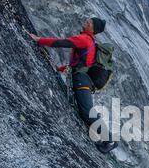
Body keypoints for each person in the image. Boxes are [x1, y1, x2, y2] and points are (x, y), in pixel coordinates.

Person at [26, 18, 118, 154]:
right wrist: (61, 69)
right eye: (88, 20)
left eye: (90, 22)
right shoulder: (89, 41)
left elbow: (61, 42)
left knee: (87, 111)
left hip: (82, 80)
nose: (87, 21)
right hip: (83, 79)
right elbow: (80, 63)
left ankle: (110, 140)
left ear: (93, 29)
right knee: (85, 110)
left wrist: (39, 39)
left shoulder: (85, 39)